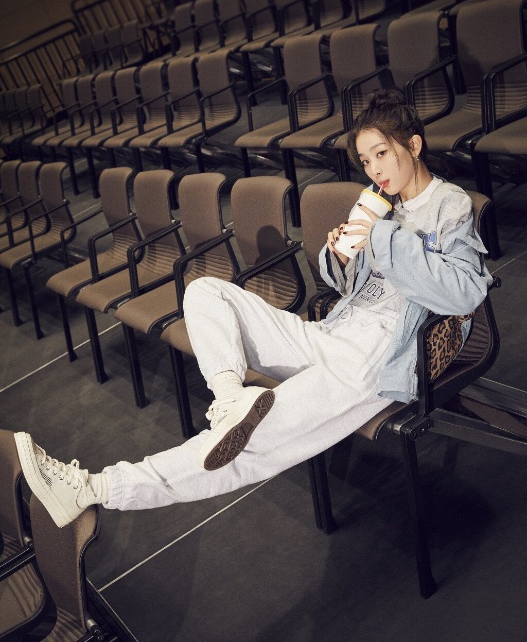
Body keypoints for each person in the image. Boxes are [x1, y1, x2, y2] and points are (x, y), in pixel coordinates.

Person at [14, 88, 493, 529]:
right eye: (365, 160)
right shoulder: (378, 203)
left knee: (251, 443)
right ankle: (229, 399)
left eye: (381, 154)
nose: (373, 170)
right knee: (206, 292)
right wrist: (340, 258)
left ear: (413, 145)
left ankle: (94, 488)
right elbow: (352, 287)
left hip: (376, 353)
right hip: (334, 329)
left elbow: (464, 294)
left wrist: (381, 236)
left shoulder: (448, 205)